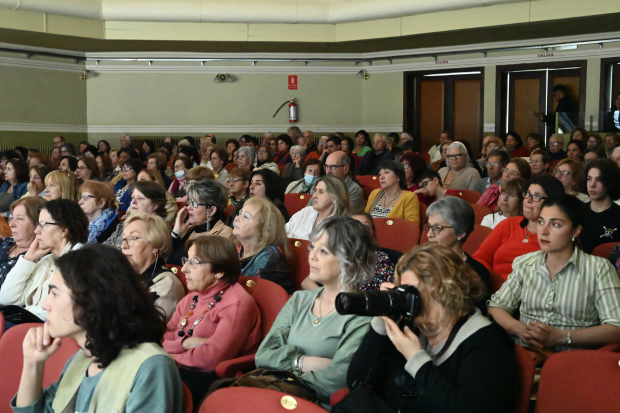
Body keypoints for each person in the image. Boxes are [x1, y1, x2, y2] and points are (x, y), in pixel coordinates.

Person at [10, 244, 183, 412]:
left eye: (55, 293)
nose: (45, 304)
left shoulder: (150, 367)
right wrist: (33, 363)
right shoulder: (84, 356)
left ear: (92, 300)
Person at [347, 242, 516, 413]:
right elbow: (355, 380)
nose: (408, 301)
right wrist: (381, 321)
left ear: (446, 291)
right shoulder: (413, 330)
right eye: (403, 292)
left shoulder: (487, 344)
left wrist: (417, 360)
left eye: (414, 293)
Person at [255, 216, 373, 408]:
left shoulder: (362, 315)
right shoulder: (299, 299)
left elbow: (335, 381)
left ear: (349, 261)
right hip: (275, 395)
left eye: (323, 251)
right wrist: (302, 362)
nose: (312, 256)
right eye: (312, 247)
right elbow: (263, 355)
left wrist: (284, 367)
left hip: (313, 406)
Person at [489, 194, 620, 352]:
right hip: (527, 355)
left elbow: (616, 328)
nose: (543, 232)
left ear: (576, 231)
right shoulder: (525, 263)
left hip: (574, 362)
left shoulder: (599, 269)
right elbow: (497, 306)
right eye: (541, 222)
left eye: (555, 225)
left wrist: (562, 336)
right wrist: (520, 329)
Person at [163, 236, 261, 406]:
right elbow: (160, 336)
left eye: (194, 262)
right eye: (186, 260)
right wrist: (185, 344)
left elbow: (211, 360)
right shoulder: (191, 298)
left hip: (208, 379)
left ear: (219, 271)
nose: (184, 268)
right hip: (176, 365)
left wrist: (169, 351)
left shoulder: (237, 304)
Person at [0, 199, 88, 322]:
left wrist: (21, 312)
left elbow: (63, 309)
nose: (36, 231)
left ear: (64, 229)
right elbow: (6, 298)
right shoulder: (46, 260)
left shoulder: (82, 261)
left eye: (43, 225)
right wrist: (28, 259)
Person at [473, 175, 565, 280]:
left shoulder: (555, 237)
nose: (528, 200)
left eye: (536, 197)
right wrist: (490, 281)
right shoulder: (508, 224)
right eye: (528, 194)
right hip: (491, 286)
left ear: (552, 202)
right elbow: (480, 257)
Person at [424, 196, 492, 312]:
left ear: (460, 233)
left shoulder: (475, 273)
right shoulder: (421, 261)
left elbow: (473, 318)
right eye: (429, 227)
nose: (429, 234)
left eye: (437, 228)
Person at [121, 213, 185, 321]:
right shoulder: (123, 276)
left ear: (156, 246)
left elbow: (144, 330)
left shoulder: (167, 283)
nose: (124, 245)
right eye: (124, 239)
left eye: (134, 238)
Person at [232, 197, 294, 294]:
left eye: (245, 217)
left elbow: (247, 292)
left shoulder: (270, 255)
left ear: (263, 229)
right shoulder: (237, 249)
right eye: (240, 213)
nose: (236, 218)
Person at [169, 180, 235, 265]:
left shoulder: (225, 234)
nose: (188, 207)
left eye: (195, 203)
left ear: (211, 210)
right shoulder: (187, 229)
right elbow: (162, 258)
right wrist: (176, 233)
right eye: (189, 202)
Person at [105, 180, 169, 248]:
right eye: (132, 198)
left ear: (155, 206)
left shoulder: (157, 230)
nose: (133, 202)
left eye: (140, 198)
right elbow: (105, 246)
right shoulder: (125, 224)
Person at [286, 175, 349, 240]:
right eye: (315, 191)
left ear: (335, 198)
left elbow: (317, 246)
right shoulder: (306, 211)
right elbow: (281, 233)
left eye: (320, 192)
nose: (314, 196)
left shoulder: (341, 226)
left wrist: (291, 236)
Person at [0, 197, 44, 288]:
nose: (11, 224)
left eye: (20, 219)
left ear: (38, 223)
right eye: (12, 218)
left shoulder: (41, 259)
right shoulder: (5, 241)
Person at [578, 158, 620, 253]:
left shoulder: (618, 215)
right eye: (589, 179)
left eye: (599, 179)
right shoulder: (577, 211)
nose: (592, 184)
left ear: (611, 182)